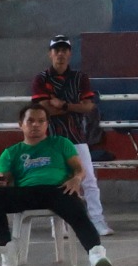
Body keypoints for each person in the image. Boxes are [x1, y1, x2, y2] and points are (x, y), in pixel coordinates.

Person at [0, 102, 110, 266]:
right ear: (21, 124)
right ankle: (7, 248)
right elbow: (4, 178)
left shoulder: (61, 143)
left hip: (57, 190)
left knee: (76, 208)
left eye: (41, 121)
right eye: (31, 121)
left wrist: (76, 179)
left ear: (47, 124)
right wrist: (1, 183)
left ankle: (95, 254)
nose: (36, 125)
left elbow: (79, 169)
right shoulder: (11, 152)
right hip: (26, 193)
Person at [30, 36, 108, 235]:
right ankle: (60, 226)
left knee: (89, 180)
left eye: (64, 50)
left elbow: (89, 106)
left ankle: (98, 222)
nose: (61, 54)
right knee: (56, 180)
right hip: (52, 138)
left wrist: (62, 105)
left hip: (76, 136)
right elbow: (43, 109)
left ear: (70, 54)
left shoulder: (80, 78)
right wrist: (74, 108)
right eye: (57, 50)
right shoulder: (41, 79)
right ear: (50, 54)